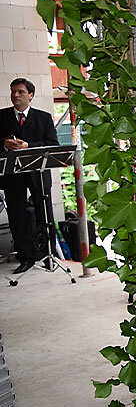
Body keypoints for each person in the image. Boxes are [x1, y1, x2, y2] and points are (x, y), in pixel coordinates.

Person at [0, 78, 59, 274]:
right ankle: (26, 257)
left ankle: (47, 254)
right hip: (12, 176)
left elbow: (53, 144)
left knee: (44, 214)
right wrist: (4, 144)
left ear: (31, 95)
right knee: (17, 216)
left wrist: (28, 146)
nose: (15, 95)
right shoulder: (1, 117)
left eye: (20, 92)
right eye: (13, 92)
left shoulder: (44, 118)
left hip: (38, 174)